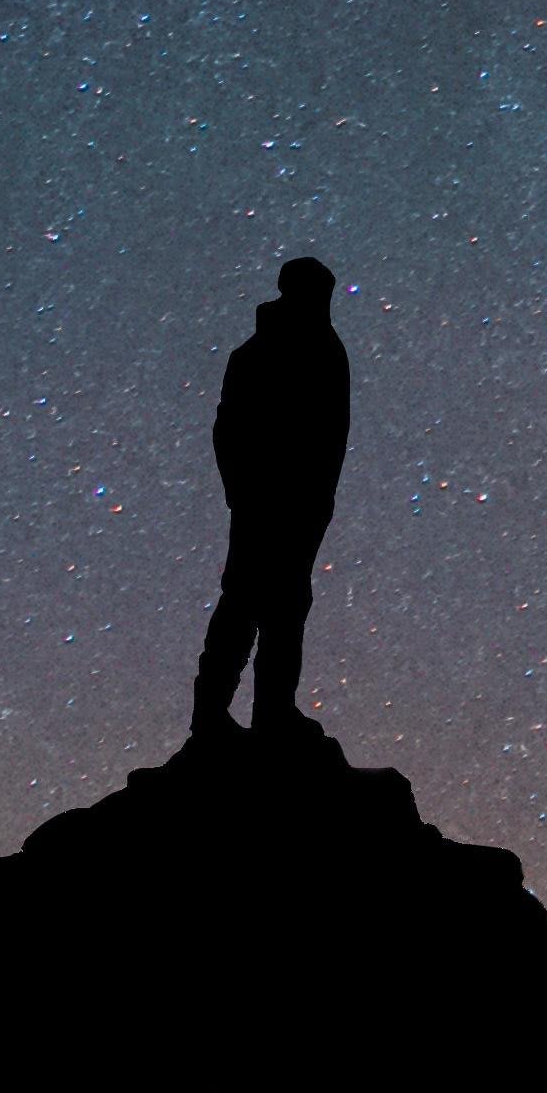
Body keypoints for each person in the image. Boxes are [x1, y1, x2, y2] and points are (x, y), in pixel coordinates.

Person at [192, 258, 352, 740]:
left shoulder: (320, 349)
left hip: (297, 504)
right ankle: (216, 717)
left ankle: (271, 713)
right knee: (249, 602)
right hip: (266, 502)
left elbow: (330, 437)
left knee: (282, 603)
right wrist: (241, 490)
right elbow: (229, 429)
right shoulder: (267, 353)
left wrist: (318, 501)